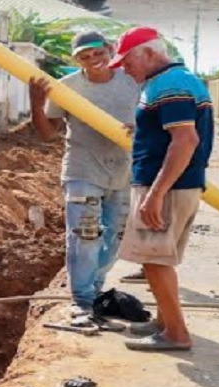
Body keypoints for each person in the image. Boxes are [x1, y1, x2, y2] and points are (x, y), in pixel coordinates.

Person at [109, 26, 213, 351]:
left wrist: (155, 194)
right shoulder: (176, 80)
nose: (125, 70)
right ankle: (164, 323)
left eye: (127, 62)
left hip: (166, 188)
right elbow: (175, 131)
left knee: (154, 261)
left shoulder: (169, 85)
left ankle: (175, 334)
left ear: (150, 53)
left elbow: (185, 140)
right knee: (158, 259)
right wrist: (144, 127)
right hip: (177, 185)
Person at [28, 31, 140, 329]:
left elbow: (153, 120)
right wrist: (36, 104)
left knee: (115, 238)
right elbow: (47, 133)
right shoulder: (67, 88)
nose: (93, 60)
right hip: (83, 171)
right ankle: (81, 300)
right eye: (84, 57)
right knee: (84, 236)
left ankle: (95, 291)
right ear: (76, 60)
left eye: (98, 53)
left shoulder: (132, 81)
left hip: (123, 172)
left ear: (109, 49)